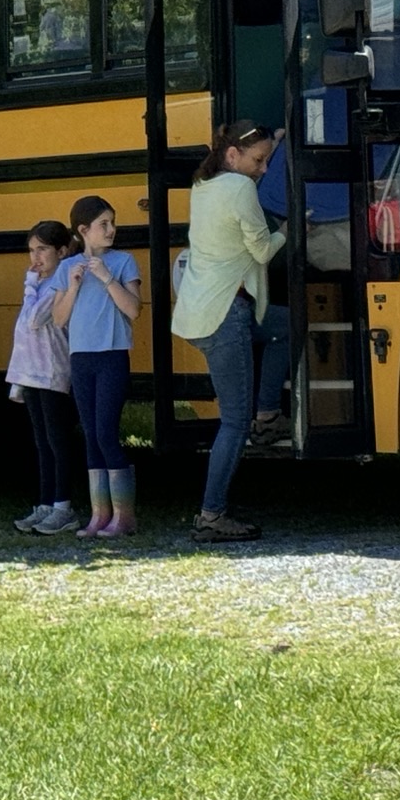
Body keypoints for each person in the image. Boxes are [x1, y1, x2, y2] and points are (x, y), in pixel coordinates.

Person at [172, 124, 292, 542]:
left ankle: (268, 416)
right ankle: (211, 515)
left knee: (285, 328)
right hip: (227, 316)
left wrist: (274, 141)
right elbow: (261, 251)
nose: (262, 170)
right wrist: (291, 231)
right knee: (233, 424)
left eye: (266, 161)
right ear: (232, 157)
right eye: (257, 161)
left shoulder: (203, 185)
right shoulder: (241, 189)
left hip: (201, 312)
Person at [45, 195, 142, 537]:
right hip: (81, 358)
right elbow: (58, 319)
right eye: (104, 224)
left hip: (112, 355)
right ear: (83, 230)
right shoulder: (66, 267)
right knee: (89, 435)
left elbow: (133, 310)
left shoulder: (123, 261)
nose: (112, 229)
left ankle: (124, 517)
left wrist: (106, 279)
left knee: (105, 432)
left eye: (112, 222)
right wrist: (72, 285)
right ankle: (100, 515)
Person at [9, 221, 81, 535]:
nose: (35, 257)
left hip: (52, 371)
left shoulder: (57, 283)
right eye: (31, 250)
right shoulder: (42, 283)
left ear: (62, 251)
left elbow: (34, 318)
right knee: (42, 442)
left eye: (42, 249)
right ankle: (45, 504)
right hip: (31, 372)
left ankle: (63, 507)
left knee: (58, 440)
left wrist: (28, 283)